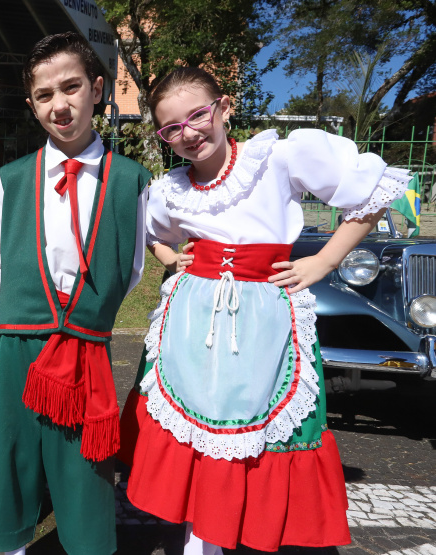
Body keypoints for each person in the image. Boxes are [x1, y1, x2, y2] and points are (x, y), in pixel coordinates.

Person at [119, 67, 411, 554]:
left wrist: (324, 259)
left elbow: (373, 192)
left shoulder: (274, 158)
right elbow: (155, 234)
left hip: (264, 317)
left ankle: (239, 525)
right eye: (171, 128)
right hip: (193, 321)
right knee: (198, 424)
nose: (188, 133)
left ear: (224, 107)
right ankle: (201, 535)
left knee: (253, 427)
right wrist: (174, 259)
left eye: (197, 115)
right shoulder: (171, 188)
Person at [0, 32, 151, 555]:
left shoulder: (132, 181)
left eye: (71, 87)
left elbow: (132, 265)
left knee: (83, 469)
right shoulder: (10, 180)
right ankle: (11, 541)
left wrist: (82, 314)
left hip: (85, 347)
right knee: (12, 457)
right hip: (22, 343)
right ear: (32, 106)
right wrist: (35, 308)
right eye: (46, 95)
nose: (60, 104)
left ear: (98, 90)